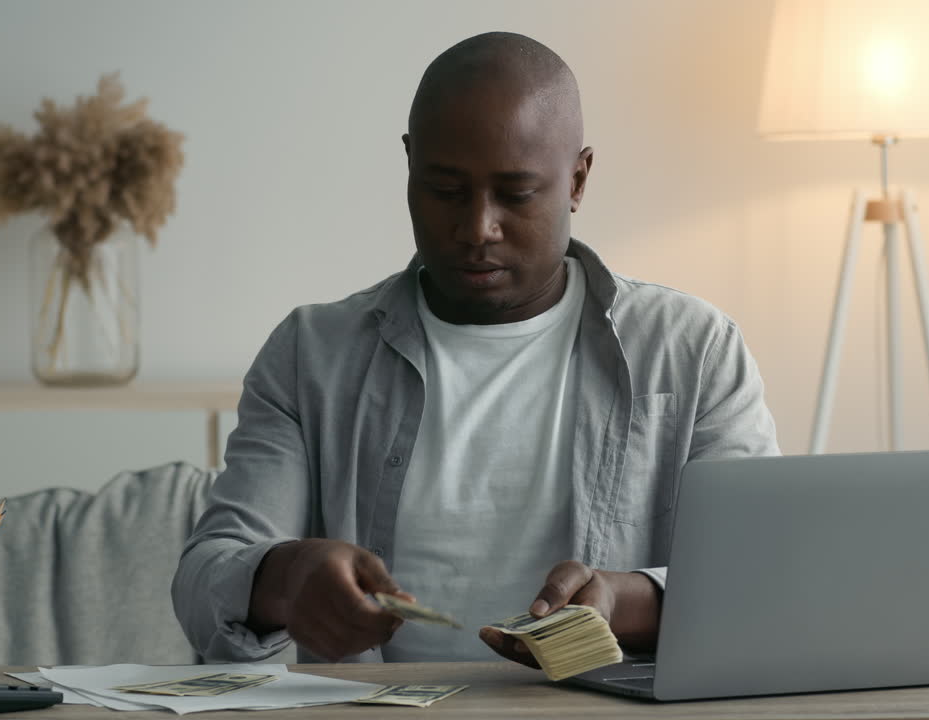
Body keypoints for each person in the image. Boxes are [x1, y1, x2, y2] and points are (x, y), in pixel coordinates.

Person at [172, 31, 779, 666]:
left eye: (516, 195)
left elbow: (765, 580)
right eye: (445, 190)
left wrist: (621, 603)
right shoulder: (311, 356)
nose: (477, 229)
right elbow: (204, 576)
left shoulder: (694, 351)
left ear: (577, 179)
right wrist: (285, 579)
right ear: (409, 165)